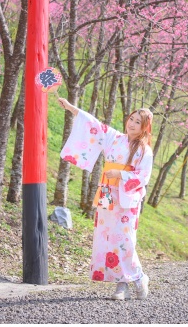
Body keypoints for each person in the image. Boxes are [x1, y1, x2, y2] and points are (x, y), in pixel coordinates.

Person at [58, 97, 154, 301]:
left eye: (138, 122)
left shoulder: (145, 151)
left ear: (145, 127)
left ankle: (134, 279)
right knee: (108, 238)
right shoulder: (115, 138)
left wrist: (121, 175)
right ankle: (123, 285)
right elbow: (94, 125)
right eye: (131, 119)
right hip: (107, 192)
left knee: (125, 240)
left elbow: (143, 177)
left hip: (126, 197)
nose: (132, 123)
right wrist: (70, 108)